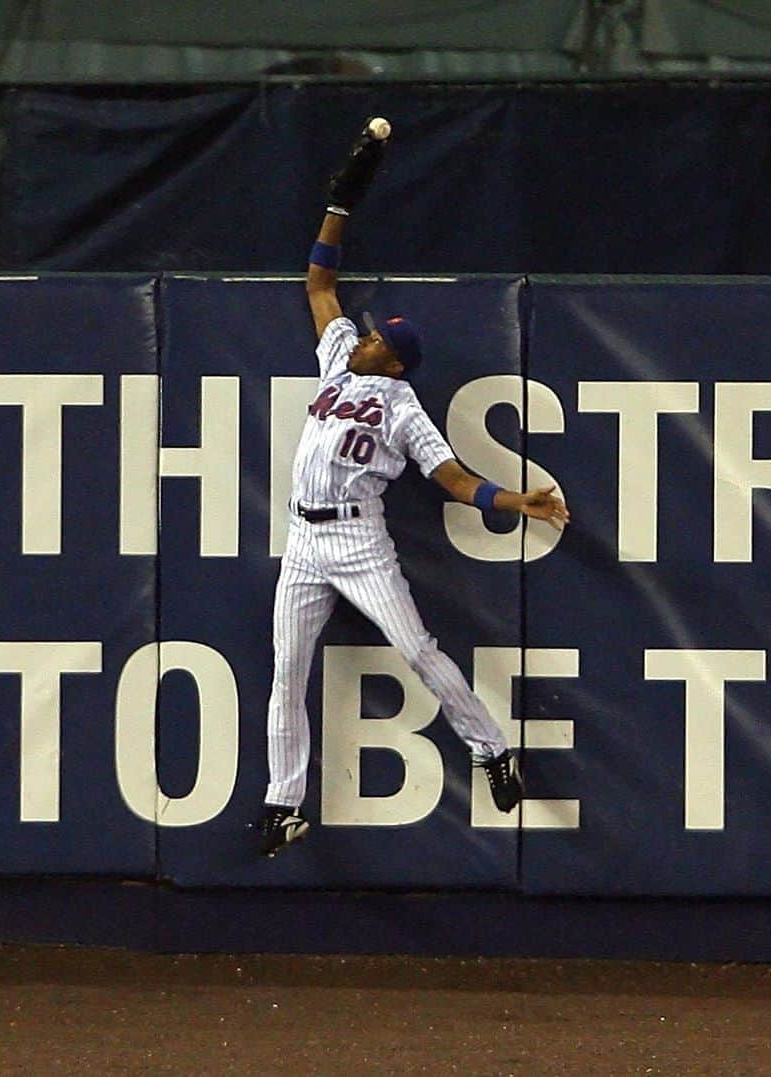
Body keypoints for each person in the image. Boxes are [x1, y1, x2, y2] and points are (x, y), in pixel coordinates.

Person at [257, 120, 570, 857]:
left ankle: (492, 747)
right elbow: (320, 280)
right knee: (287, 673)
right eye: (366, 334)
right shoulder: (338, 360)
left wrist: (514, 500)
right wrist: (344, 199)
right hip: (304, 536)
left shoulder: (401, 405)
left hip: (360, 539)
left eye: (376, 339)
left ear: (393, 361)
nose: (361, 337)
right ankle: (282, 803)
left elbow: (452, 477)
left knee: (420, 650)